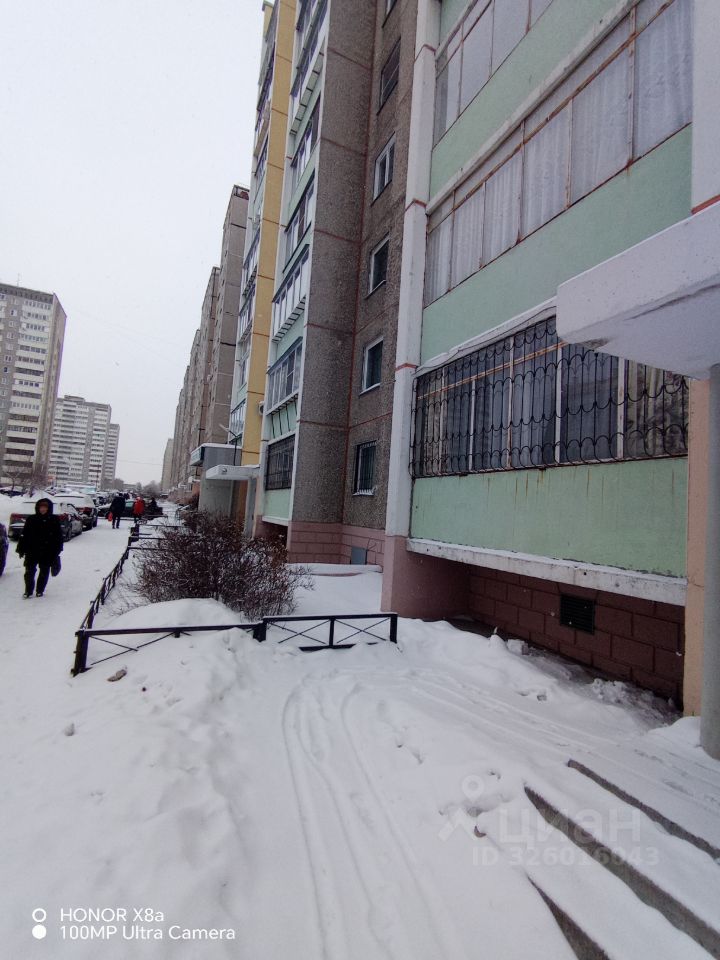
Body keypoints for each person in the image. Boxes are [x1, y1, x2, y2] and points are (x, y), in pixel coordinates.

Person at [16, 497, 63, 598]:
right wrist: (21, 549)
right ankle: (28, 591)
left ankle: (40, 590)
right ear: (37, 508)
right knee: (29, 571)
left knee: (44, 571)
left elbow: (58, 536)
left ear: (48, 508)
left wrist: (57, 550)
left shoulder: (54, 519)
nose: (43, 509)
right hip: (32, 550)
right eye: (41, 507)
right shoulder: (31, 519)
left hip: (47, 551)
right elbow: (24, 535)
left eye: (45, 507)